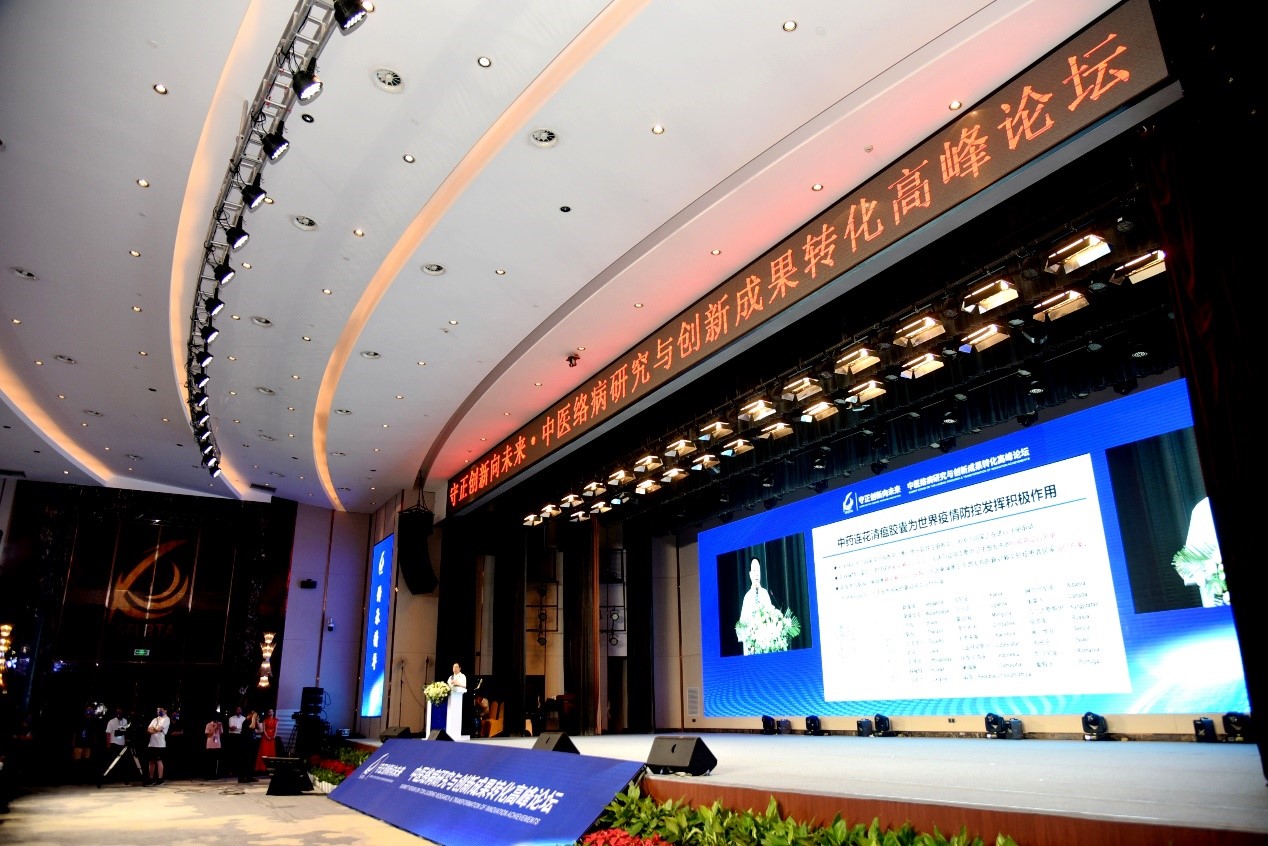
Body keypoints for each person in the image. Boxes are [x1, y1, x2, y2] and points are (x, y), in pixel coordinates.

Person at [734, 557, 798, 655]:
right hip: (752, 647)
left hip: (766, 645)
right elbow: (741, 625)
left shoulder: (765, 594)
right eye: (754, 570)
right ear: (750, 574)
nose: (756, 573)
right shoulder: (747, 597)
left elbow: (771, 616)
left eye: (758, 570)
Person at [145, 706, 169, 785]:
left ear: (165, 711)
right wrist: (155, 729)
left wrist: (154, 729)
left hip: (160, 744)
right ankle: (151, 779)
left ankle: (160, 779)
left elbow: (159, 729)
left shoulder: (166, 719)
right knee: (151, 761)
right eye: (158, 710)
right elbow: (148, 729)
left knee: (159, 761)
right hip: (152, 743)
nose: (159, 712)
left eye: (160, 710)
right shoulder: (155, 719)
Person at [253, 708, 278, 774]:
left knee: (271, 751)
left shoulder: (276, 720)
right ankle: (262, 768)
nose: (271, 713)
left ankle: (271, 767)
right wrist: (267, 736)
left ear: (273, 712)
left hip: (272, 737)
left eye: (272, 711)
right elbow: (263, 730)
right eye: (269, 712)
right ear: (268, 713)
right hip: (265, 737)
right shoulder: (265, 720)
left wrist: (274, 736)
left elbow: (276, 729)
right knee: (264, 751)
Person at [225, 706, 245, 780]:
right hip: (232, 737)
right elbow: (231, 727)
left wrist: (237, 728)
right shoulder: (231, 718)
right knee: (232, 754)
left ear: (241, 710)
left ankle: (239, 771)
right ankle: (231, 771)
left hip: (240, 736)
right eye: (237, 709)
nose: (238, 710)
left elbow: (243, 728)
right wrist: (238, 728)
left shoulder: (244, 718)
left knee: (240, 754)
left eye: (239, 709)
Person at [204, 711, 223, 779]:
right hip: (210, 745)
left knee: (216, 761)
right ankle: (208, 775)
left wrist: (219, 727)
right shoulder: (208, 724)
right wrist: (215, 727)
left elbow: (220, 733)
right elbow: (208, 735)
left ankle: (215, 774)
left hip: (217, 744)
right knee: (210, 761)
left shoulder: (219, 724)